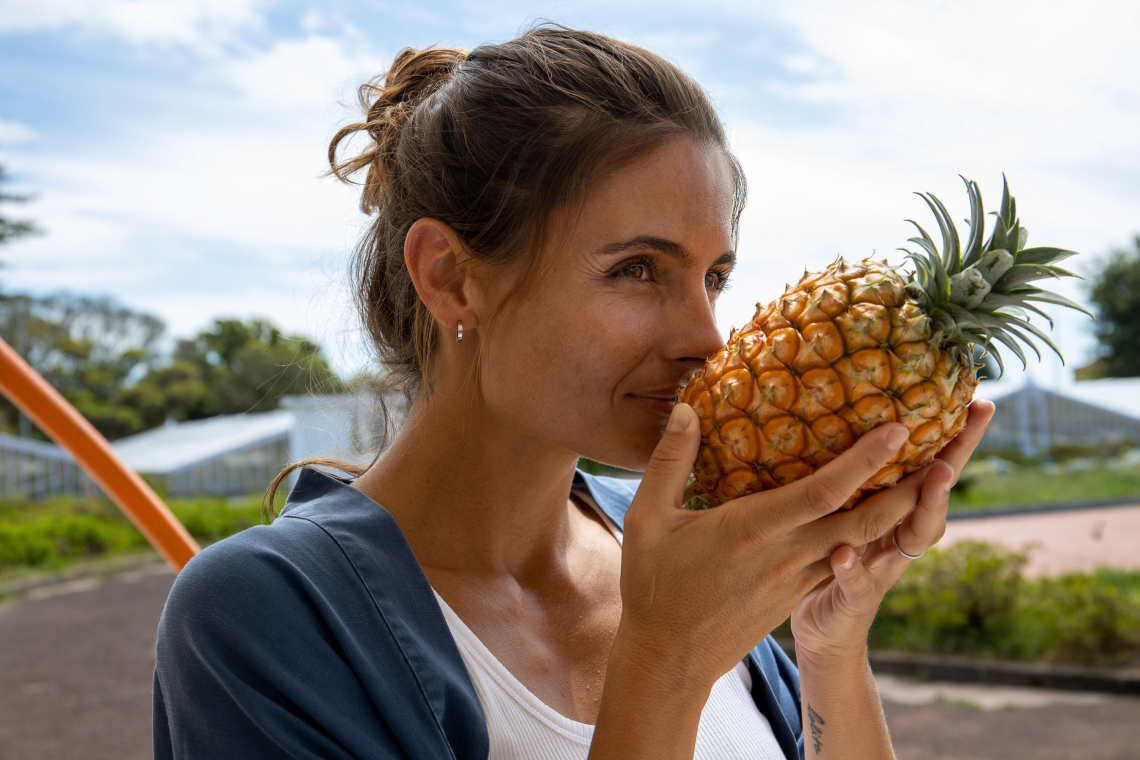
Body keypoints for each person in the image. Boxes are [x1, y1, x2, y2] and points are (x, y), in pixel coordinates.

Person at [152, 24, 995, 760]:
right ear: (452, 278)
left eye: (715, 277)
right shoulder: (264, 614)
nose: (707, 338)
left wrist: (829, 641)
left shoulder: (681, 546)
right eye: (636, 270)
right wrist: (664, 660)